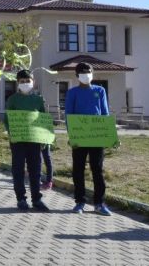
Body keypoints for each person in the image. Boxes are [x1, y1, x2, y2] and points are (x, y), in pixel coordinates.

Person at [65, 62, 112, 216]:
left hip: (97, 137)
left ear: (92, 73)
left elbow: (105, 114)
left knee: (97, 170)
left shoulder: (100, 91)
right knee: (78, 170)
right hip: (79, 137)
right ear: (77, 75)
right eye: (83, 72)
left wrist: (108, 135)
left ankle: (99, 203)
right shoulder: (72, 93)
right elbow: (68, 116)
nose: (86, 75)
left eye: (88, 72)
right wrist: (72, 135)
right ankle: (80, 202)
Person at [4, 69, 49, 212]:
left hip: (35, 140)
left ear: (33, 82)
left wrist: (45, 139)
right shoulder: (12, 99)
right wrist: (12, 133)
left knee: (35, 170)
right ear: (17, 83)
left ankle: (37, 199)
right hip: (18, 140)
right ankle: (21, 199)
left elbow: (43, 118)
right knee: (18, 170)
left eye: (28, 81)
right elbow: (7, 119)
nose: (25, 83)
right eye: (22, 81)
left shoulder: (38, 99)